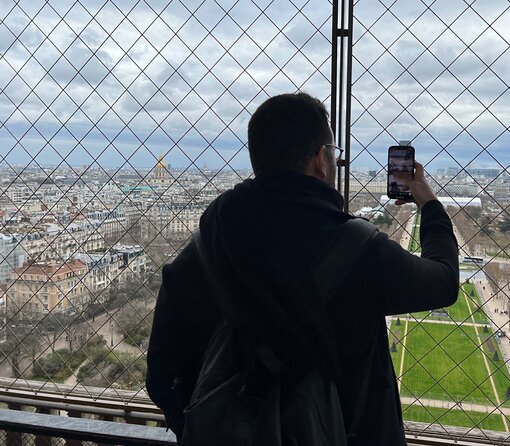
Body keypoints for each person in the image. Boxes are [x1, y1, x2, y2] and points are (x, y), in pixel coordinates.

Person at [146, 92, 460, 445]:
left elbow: (162, 369)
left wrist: (203, 424)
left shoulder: (211, 240)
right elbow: (444, 281)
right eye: (332, 152)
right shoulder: (358, 249)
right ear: (319, 160)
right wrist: (430, 205)